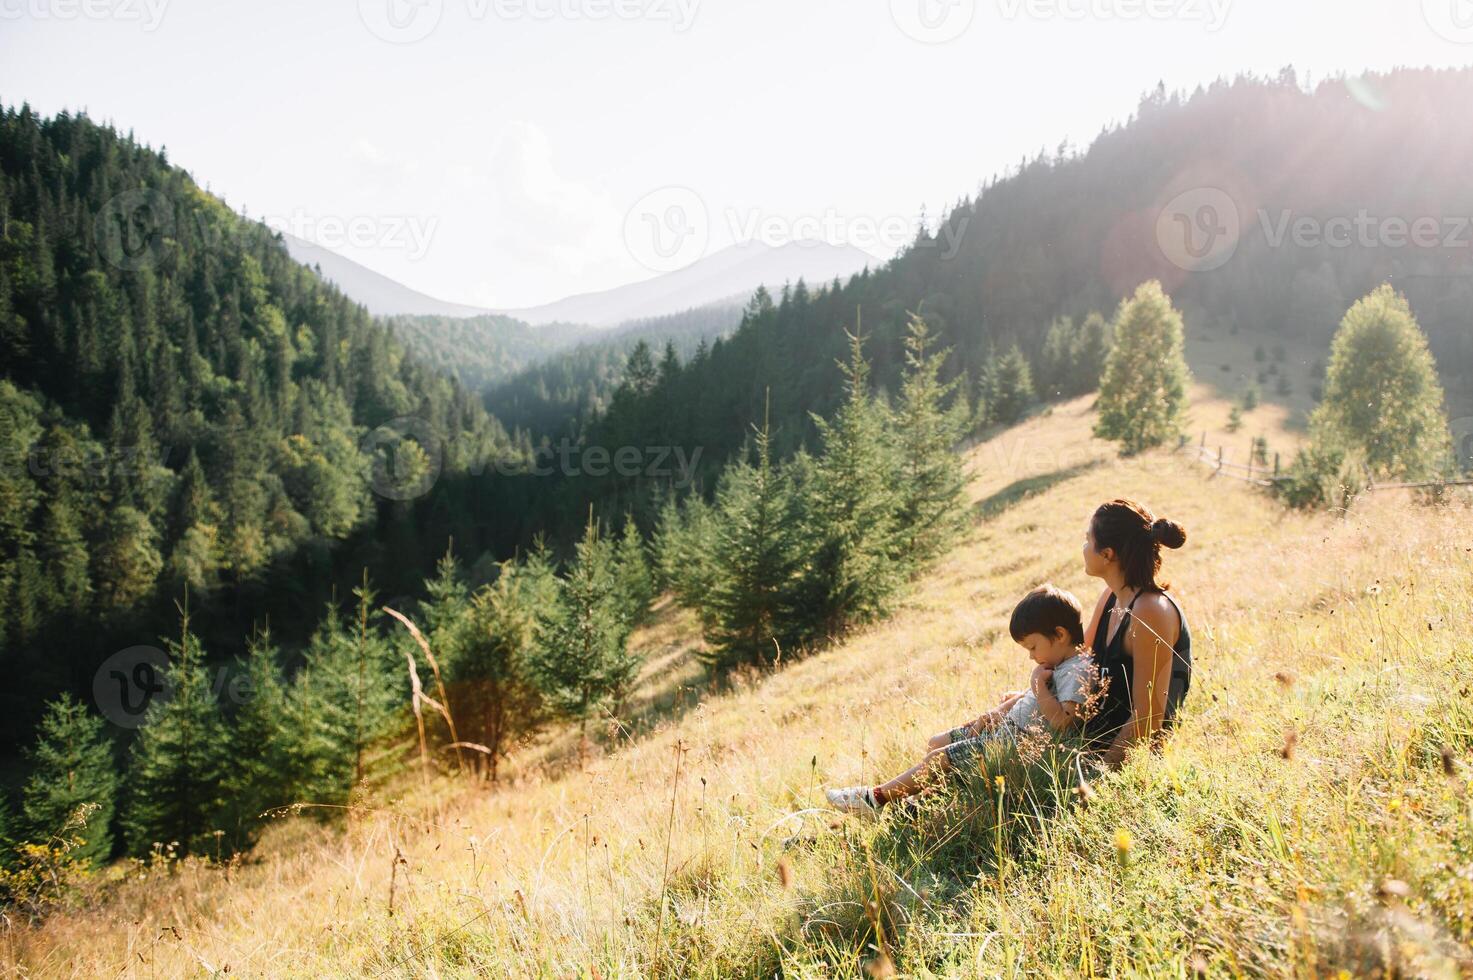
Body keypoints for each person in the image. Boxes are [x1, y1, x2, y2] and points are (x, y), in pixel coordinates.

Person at [825, 585, 1097, 815]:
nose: (1031, 656)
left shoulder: (1077, 670)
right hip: (1004, 730)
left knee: (940, 758)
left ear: (1060, 635)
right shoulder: (1061, 663)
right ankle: (918, 802)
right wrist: (1016, 700)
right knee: (936, 742)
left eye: (1033, 647)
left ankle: (875, 799)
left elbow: (1065, 723)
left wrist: (1037, 686)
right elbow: (1043, 701)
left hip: (1013, 747)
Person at [1080, 499, 1192, 767]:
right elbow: (1079, 659)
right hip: (1087, 737)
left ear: (1107, 554)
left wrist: (1098, 776)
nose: (1083, 548)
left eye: (1087, 540)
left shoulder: (1151, 612)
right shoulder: (1111, 596)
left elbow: (1149, 714)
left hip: (1124, 756)